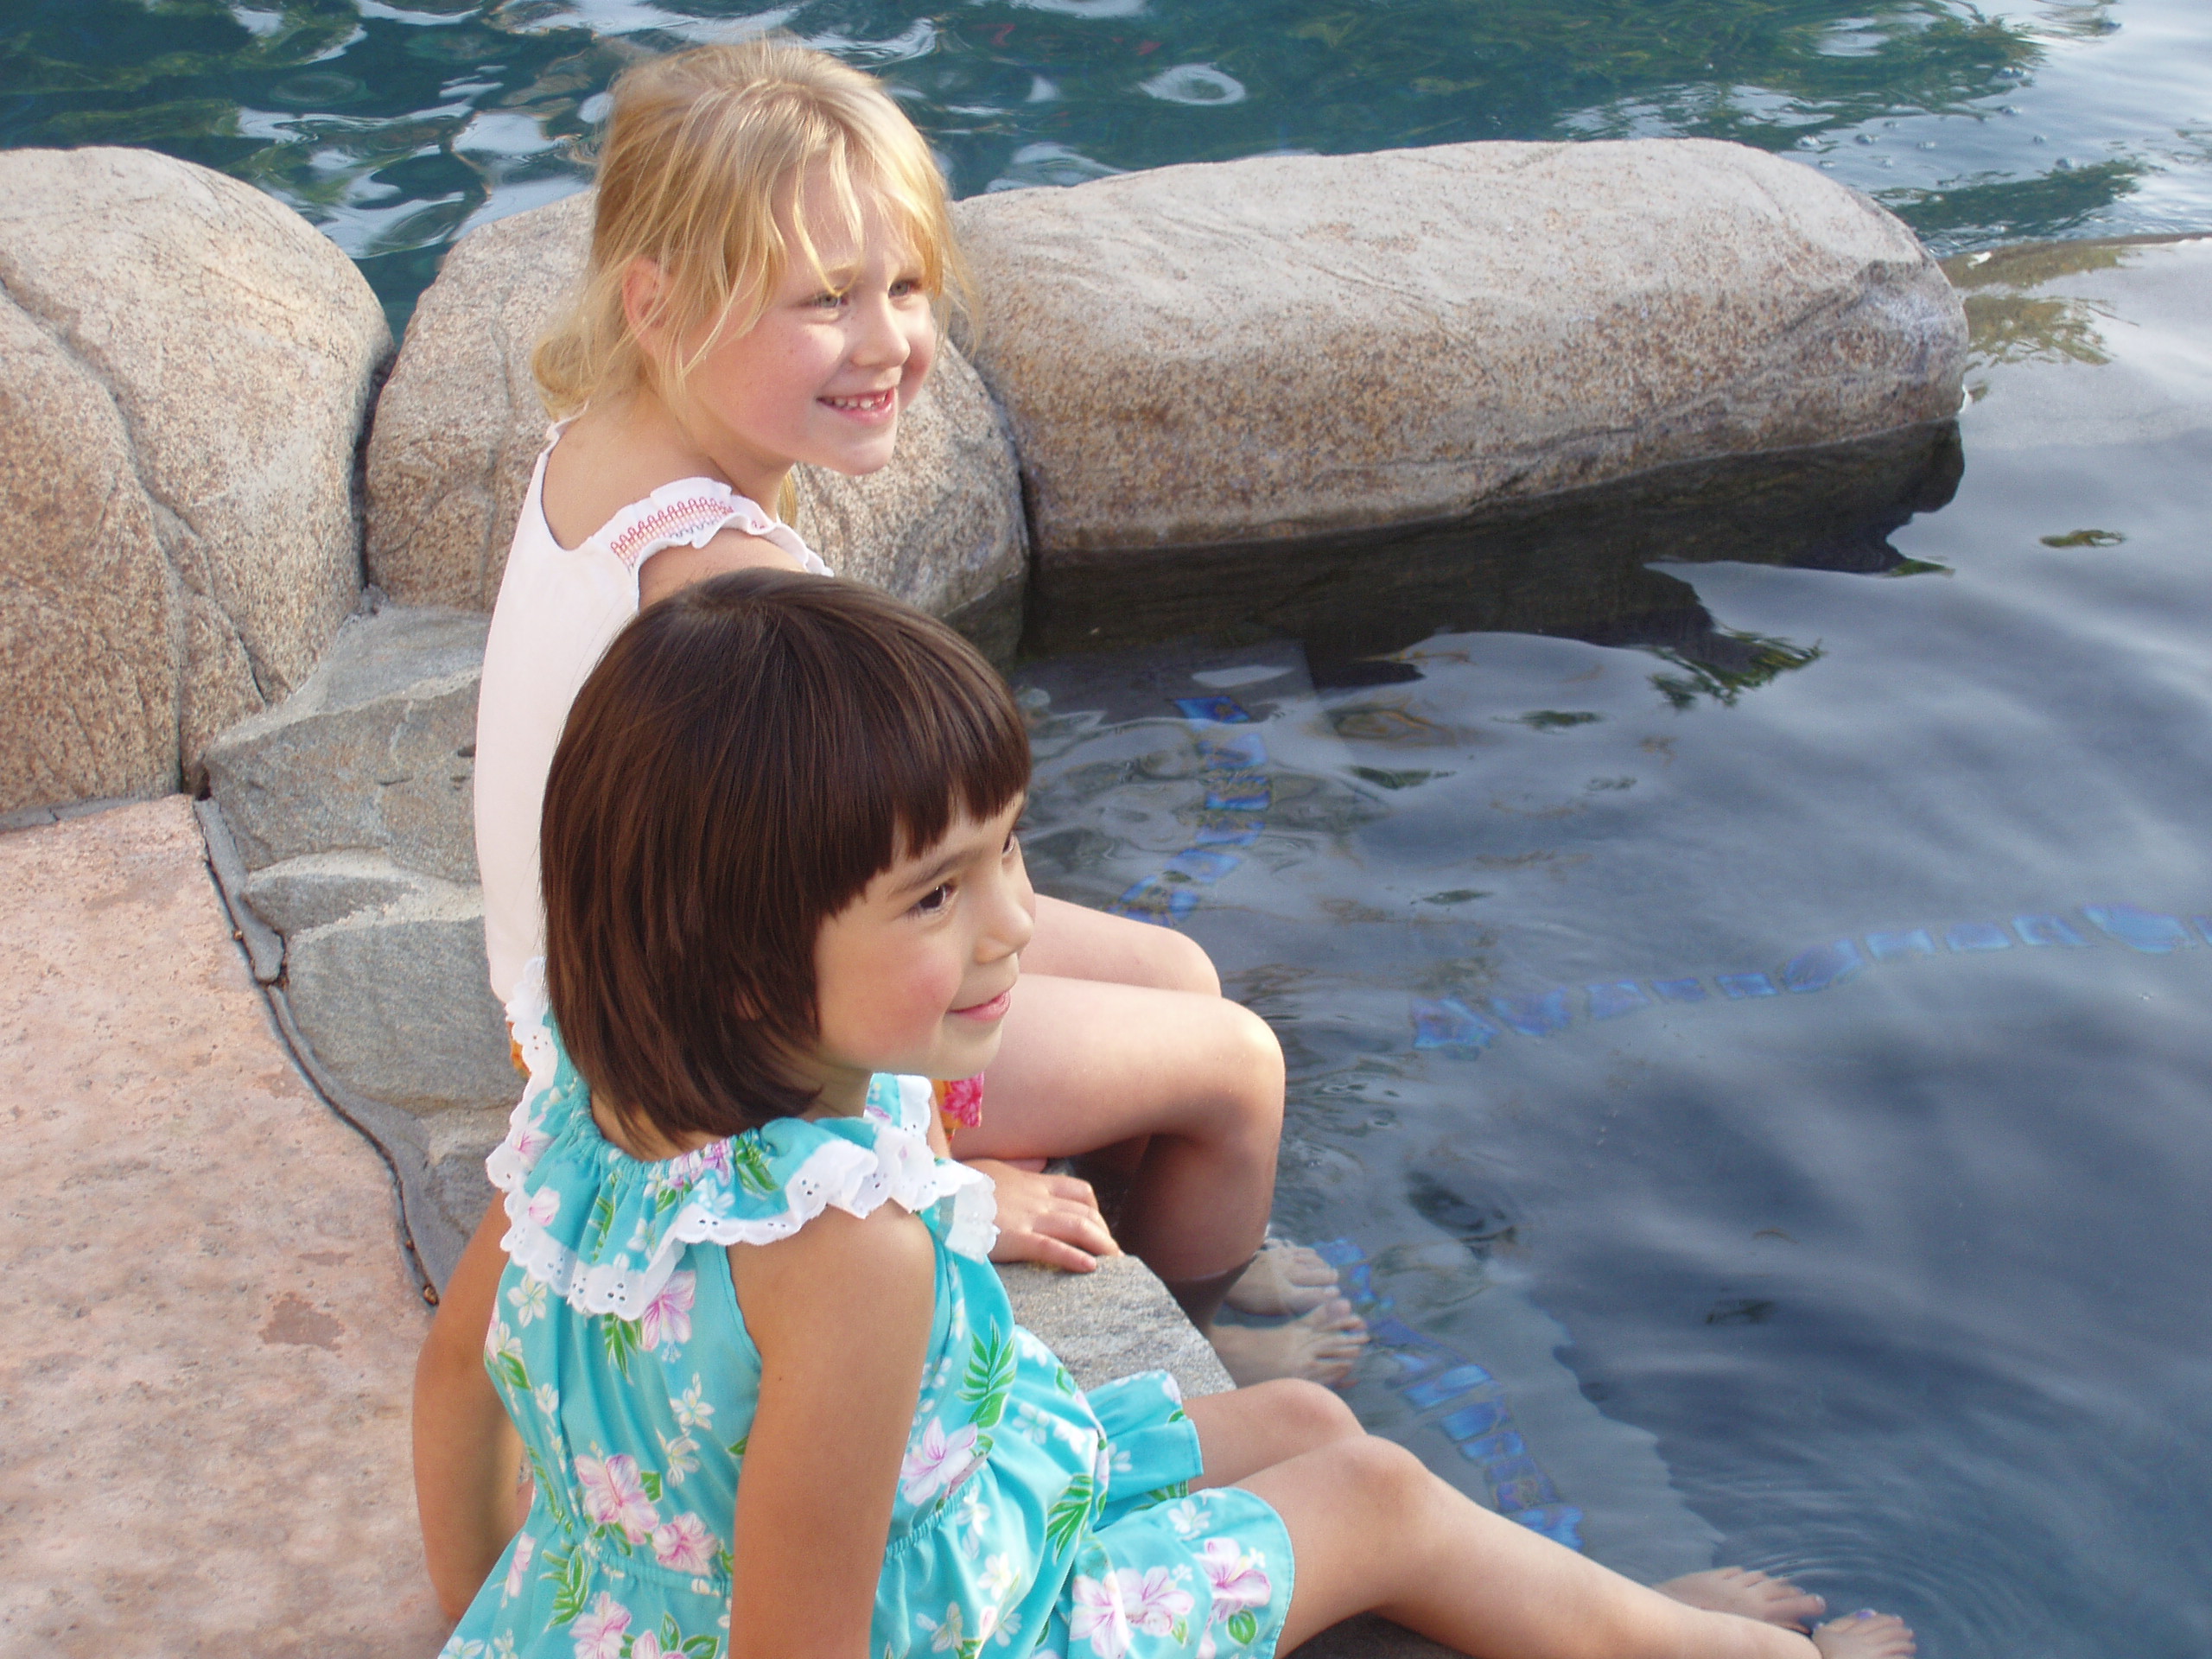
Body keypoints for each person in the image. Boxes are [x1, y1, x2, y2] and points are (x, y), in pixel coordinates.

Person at [416, 570, 1917, 1659]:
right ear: (745, 965)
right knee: (1377, 1493)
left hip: (654, 1597)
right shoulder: (846, 1261)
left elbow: (455, 1391)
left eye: (1008, 851)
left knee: (1304, 1417)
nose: (1014, 923)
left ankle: (1598, 1617)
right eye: (935, 895)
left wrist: (496, 1622)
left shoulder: (586, 1108)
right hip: (956, 1621)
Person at [468, 36, 1363, 1386]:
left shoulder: (605, 454)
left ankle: (1144, 1206)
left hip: (584, 986)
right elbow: (793, 984)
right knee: (1237, 1067)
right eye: (825, 300)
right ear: (657, 305)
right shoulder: (733, 594)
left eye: (904, 284)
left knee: (1178, 974)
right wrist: (947, 1196)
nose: (887, 340)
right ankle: (1203, 1325)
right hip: (691, 1067)